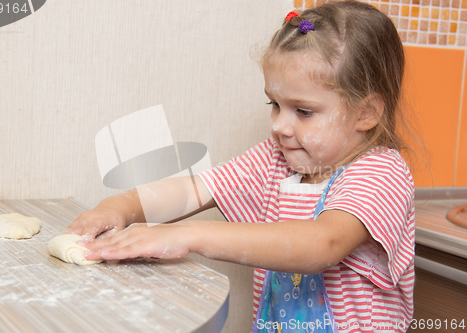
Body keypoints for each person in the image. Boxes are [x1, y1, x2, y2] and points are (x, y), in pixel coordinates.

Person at [66, 1, 416, 332]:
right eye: (275, 105)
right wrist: (119, 207)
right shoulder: (276, 160)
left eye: (303, 111)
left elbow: (321, 245)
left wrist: (186, 235)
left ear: (366, 113)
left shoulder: (381, 174)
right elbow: (193, 190)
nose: (279, 125)